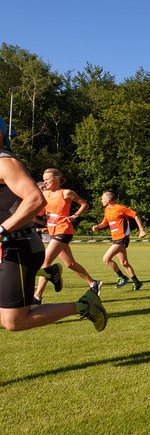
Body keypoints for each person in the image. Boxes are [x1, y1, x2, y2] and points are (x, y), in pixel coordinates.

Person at [0, 117, 106, 333]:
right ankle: (48, 272)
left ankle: (85, 305)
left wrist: (2, 230)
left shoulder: (4, 162)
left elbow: (35, 200)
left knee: (14, 322)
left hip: (17, 247)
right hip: (12, 244)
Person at [33, 168, 102, 305]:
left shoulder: (66, 193)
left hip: (64, 231)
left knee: (45, 263)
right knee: (70, 263)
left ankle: (37, 298)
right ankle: (94, 283)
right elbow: (40, 213)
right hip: (53, 232)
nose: (44, 182)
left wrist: (74, 216)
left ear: (57, 180)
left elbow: (84, 204)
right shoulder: (45, 194)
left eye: (47, 179)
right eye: (44, 179)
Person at [92, 191, 147, 291]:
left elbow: (135, 215)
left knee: (106, 259)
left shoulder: (120, 208)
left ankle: (122, 277)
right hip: (115, 239)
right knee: (124, 263)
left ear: (108, 200)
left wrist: (141, 230)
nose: (101, 200)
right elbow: (105, 222)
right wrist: (98, 227)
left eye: (102, 199)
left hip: (122, 238)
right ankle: (137, 283)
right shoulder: (107, 210)